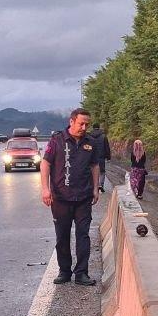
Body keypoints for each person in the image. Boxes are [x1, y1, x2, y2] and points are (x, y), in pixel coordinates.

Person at [40, 108, 102, 286]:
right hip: (60, 198)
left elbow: (94, 166)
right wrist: (45, 189)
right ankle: (64, 271)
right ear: (72, 121)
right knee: (62, 236)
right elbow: (45, 164)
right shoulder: (57, 140)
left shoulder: (90, 142)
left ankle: (81, 273)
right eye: (81, 123)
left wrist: (96, 188)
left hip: (83, 197)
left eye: (87, 124)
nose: (84, 127)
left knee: (83, 235)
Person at [90, 122, 111, 193]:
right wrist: (108, 157)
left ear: (93, 127)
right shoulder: (103, 136)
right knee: (102, 171)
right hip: (101, 157)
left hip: (91, 157)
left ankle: (93, 185)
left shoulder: (89, 136)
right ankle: (101, 185)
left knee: (92, 171)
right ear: (99, 127)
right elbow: (107, 147)